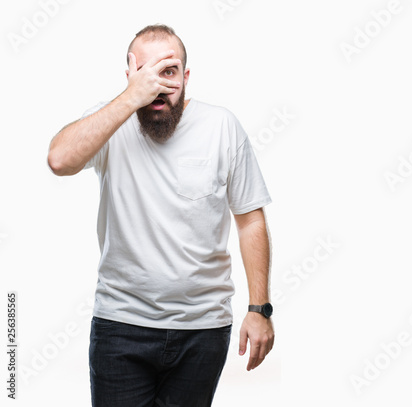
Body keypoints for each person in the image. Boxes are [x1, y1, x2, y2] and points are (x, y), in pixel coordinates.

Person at [47, 24, 275, 407]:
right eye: (145, 73)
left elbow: (250, 219)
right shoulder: (110, 124)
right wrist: (129, 99)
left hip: (203, 329)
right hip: (121, 326)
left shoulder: (222, 126)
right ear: (130, 76)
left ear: (185, 78)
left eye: (167, 72)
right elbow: (59, 160)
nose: (157, 84)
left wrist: (259, 309)